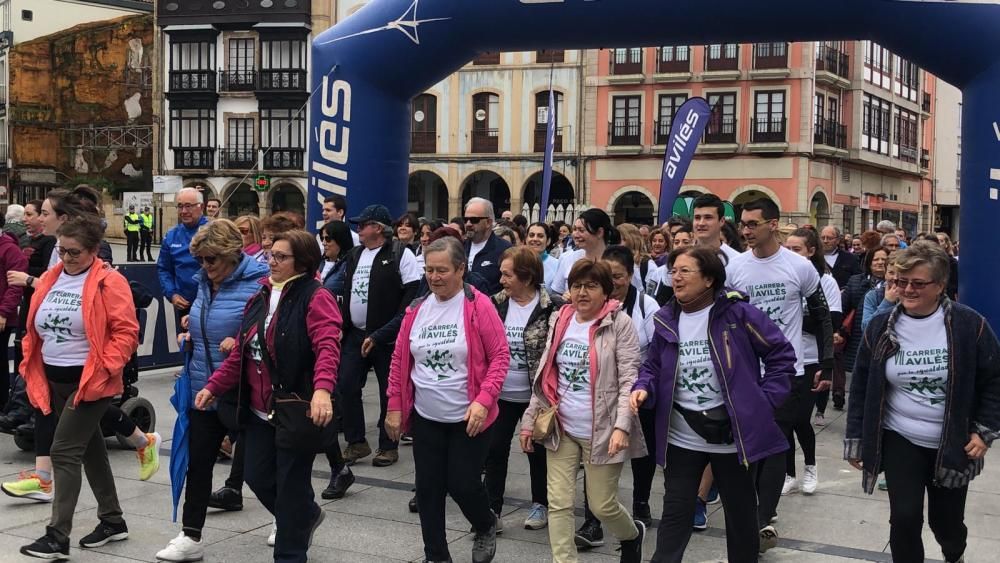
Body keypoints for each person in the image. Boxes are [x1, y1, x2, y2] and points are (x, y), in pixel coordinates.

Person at [631, 246, 795, 563]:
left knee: (741, 516)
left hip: (734, 442)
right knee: (676, 513)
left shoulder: (739, 315)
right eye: (673, 271)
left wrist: (762, 403)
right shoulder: (666, 319)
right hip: (682, 437)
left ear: (708, 279)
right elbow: (651, 367)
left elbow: (781, 358)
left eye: (684, 271)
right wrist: (642, 388)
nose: (675, 278)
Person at [845, 241, 1000, 563]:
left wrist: (983, 432)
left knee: (946, 524)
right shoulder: (881, 326)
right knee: (904, 517)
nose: (907, 290)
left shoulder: (969, 325)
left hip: (954, 441)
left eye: (918, 283)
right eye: (900, 282)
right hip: (901, 437)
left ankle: (954, 553)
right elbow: (861, 385)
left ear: (940, 285)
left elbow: (994, 380)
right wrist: (858, 437)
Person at [197, 230, 342, 562]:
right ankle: (305, 515)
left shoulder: (315, 296)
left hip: (295, 409)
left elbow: (327, 347)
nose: (271, 262)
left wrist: (322, 390)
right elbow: (241, 354)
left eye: (280, 256)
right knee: (257, 476)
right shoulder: (260, 296)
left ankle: (290, 552)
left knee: (290, 488)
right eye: (270, 255)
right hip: (261, 411)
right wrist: (213, 386)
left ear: (302, 261)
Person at [17, 216, 141, 560]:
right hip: (53, 378)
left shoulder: (109, 282)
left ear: (93, 251)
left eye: (74, 252)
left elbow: (126, 333)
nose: (67, 257)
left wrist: (106, 369)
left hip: (89, 381)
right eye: (62, 250)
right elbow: (35, 324)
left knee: (63, 452)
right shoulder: (52, 277)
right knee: (91, 450)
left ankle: (57, 536)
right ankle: (113, 520)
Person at [385, 237, 509, 563]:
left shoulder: (478, 305)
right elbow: (399, 361)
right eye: (429, 270)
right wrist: (395, 407)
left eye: (442, 270)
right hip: (427, 416)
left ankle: (484, 524)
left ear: (460, 269)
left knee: (463, 484)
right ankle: (436, 555)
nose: (434, 277)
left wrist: (484, 400)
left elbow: (499, 357)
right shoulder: (416, 309)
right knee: (427, 490)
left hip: (469, 416)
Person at [155, 220, 270, 562]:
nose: (205, 267)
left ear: (231, 255)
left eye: (211, 260)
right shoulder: (205, 284)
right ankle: (191, 536)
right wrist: (193, 335)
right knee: (199, 463)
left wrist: (242, 339)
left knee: (260, 469)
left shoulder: (259, 283)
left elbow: (271, 329)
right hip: (204, 387)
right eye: (201, 260)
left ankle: (291, 518)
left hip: (244, 390)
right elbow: (207, 322)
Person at [519, 259, 647, 563]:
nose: (582, 292)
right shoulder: (560, 319)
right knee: (559, 503)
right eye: (577, 285)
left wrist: (622, 427)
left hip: (602, 430)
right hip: (562, 427)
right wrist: (528, 422)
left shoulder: (619, 323)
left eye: (591, 286)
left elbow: (630, 377)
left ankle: (631, 534)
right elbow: (546, 374)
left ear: (606, 292)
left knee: (602, 505)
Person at [725, 198, 833, 552]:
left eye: (753, 224)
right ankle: (753, 511)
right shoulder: (735, 268)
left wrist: (825, 365)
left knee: (775, 444)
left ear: (773, 224)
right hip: (745, 372)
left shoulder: (799, 267)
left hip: (788, 371)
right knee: (749, 448)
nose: (745, 230)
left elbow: (820, 315)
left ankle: (762, 518)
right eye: (743, 224)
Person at [574, 245, 660, 543]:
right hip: (600, 393)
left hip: (639, 390)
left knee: (641, 453)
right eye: (606, 276)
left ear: (630, 275)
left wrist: (642, 383)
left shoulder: (647, 307)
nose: (613, 282)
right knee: (594, 456)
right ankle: (592, 521)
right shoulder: (591, 307)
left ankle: (640, 503)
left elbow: (658, 350)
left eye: (619, 276)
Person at [484, 246, 561, 531]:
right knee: (494, 450)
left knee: (537, 452)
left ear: (526, 277)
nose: (501, 279)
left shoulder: (551, 306)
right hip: (501, 393)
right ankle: (491, 509)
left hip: (535, 395)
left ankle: (540, 504)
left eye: (507, 274)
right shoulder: (495, 303)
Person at [340, 204, 421, 467]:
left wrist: (382, 333)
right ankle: (356, 441)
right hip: (355, 333)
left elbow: (410, 300)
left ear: (377, 228)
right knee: (346, 384)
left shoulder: (401, 254)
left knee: (389, 391)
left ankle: (388, 445)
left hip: (387, 338)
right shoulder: (354, 255)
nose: (359, 230)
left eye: (363, 225)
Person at [781, 228, 842, 496]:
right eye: (788, 249)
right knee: (782, 419)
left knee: (799, 419)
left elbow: (829, 323)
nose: (791, 254)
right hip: (783, 360)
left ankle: (810, 467)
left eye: (797, 249)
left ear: (811, 251)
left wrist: (796, 321)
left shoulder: (825, 281)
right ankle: (788, 473)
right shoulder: (782, 278)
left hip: (810, 359)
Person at [817, 247, 889, 423]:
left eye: (884, 260)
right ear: (869, 263)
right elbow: (843, 306)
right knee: (858, 373)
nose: (880, 263)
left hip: (885, 340)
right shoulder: (857, 282)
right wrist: (838, 330)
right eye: (876, 259)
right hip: (857, 336)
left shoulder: (894, 288)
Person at [158, 188, 209, 317]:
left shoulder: (214, 231)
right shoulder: (171, 236)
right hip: (185, 304)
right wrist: (172, 294)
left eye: (188, 206)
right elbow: (164, 269)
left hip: (212, 303)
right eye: (180, 206)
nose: (184, 211)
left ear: (201, 207)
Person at [549, 208, 620, 295]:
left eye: (581, 230)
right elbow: (556, 292)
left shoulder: (617, 260)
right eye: (574, 229)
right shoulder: (567, 258)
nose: (575, 235)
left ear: (599, 232)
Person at [0, 227, 26, 409]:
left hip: (2, 316)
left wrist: (3, 312)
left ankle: (1, 402)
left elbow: (15, 286)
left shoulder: (9, 249)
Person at [463, 197, 512, 296]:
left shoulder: (505, 250)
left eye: (474, 220)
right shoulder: (458, 248)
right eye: (466, 219)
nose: (468, 224)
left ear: (488, 222)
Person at [691, 194, 740, 264]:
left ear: (722, 221)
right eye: (697, 218)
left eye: (708, 217)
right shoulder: (682, 258)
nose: (701, 223)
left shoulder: (736, 260)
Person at [320, 219, 355, 298]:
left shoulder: (350, 265)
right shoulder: (318, 263)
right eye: (322, 238)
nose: (323, 243)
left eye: (328, 239)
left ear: (340, 240)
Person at [525, 222, 559, 288]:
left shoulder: (557, 265)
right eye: (531, 235)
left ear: (548, 241)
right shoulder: (517, 261)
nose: (535, 239)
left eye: (540, 236)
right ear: (526, 239)